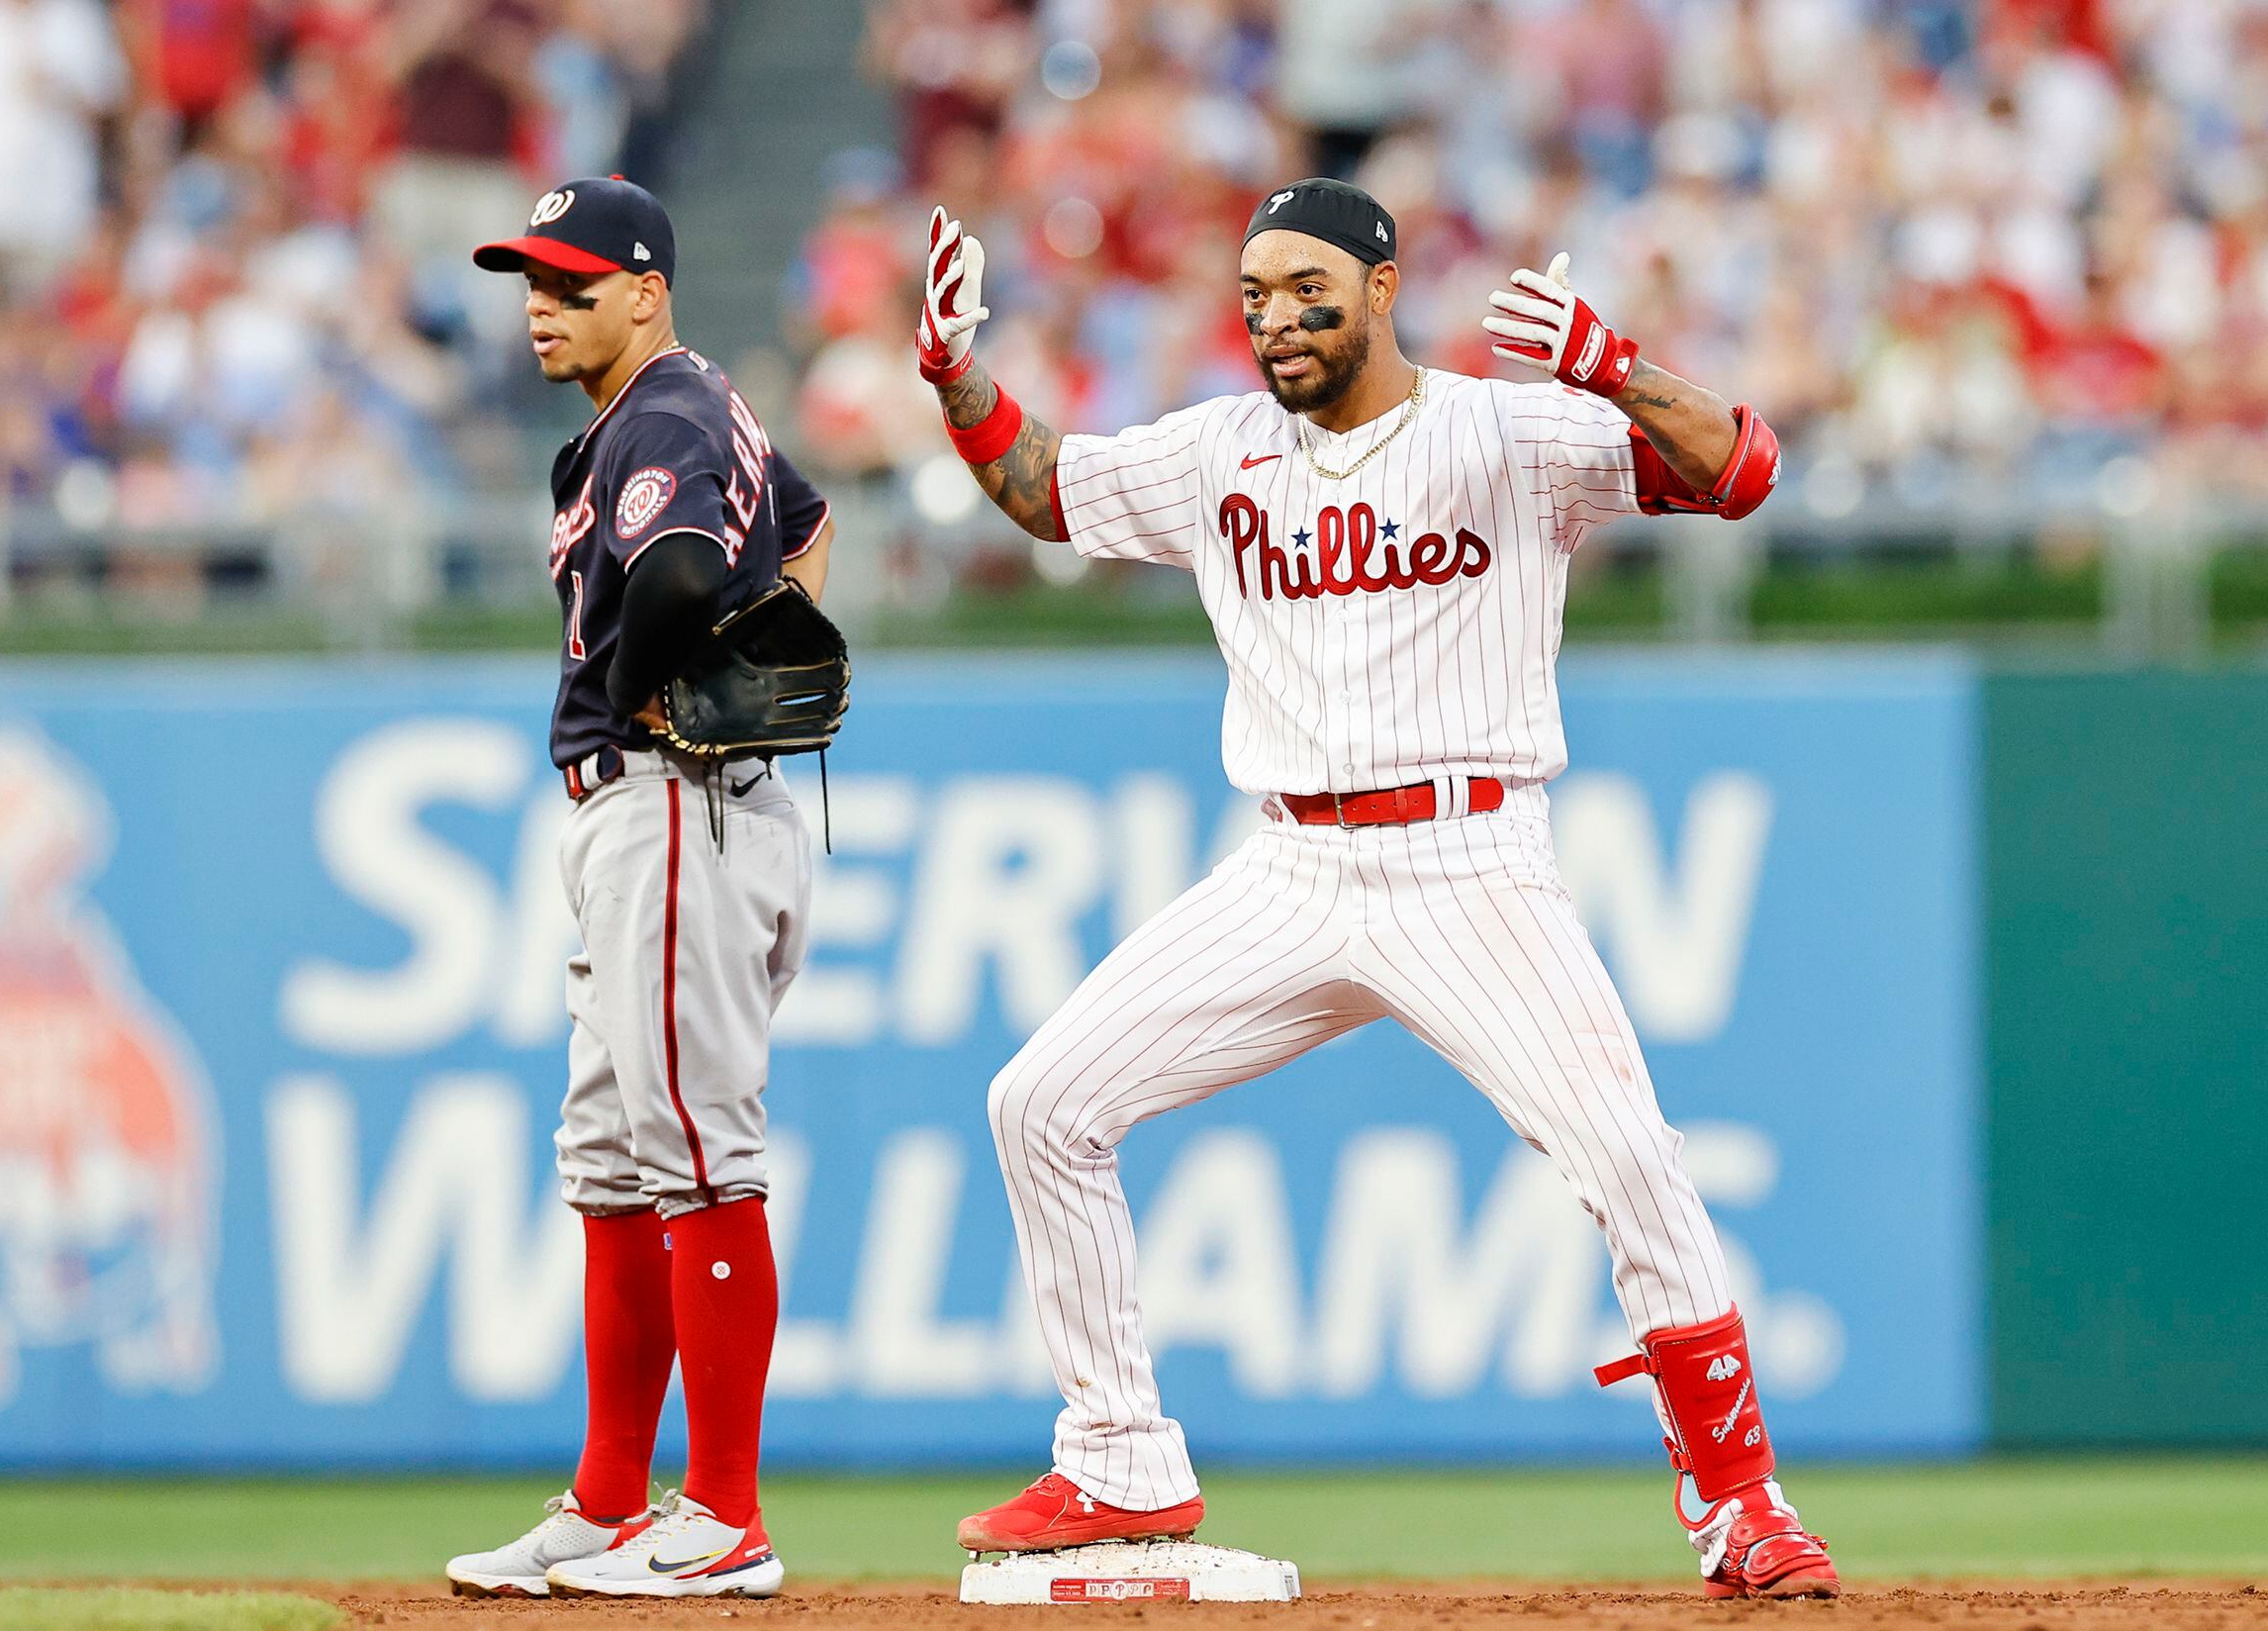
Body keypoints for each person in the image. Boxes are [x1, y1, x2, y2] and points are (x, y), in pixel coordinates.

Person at [916, 177, 1838, 1601]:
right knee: (1040, 1101)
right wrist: (956, 377)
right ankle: (1119, 1458)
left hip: (1469, 859)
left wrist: (1613, 368)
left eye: (1309, 289)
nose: (1278, 320)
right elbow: (1046, 491)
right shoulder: (1219, 449)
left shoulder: (1505, 431)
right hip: (1292, 864)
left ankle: (1741, 1504)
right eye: (1256, 297)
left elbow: (1743, 472)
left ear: (1384, 288)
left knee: (1630, 1158)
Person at [442, 175, 831, 1601]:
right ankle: (610, 1502)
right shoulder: (679, 408)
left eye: (574, 285)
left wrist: (644, 689)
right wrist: (770, 632)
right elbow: (805, 524)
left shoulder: (663, 411)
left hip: (674, 801)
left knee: (695, 1152)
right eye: (533, 285)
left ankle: (723, 1514)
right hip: (657, 810)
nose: (543, 308)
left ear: (648, 290)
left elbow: (671, 576)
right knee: (613, 1161)